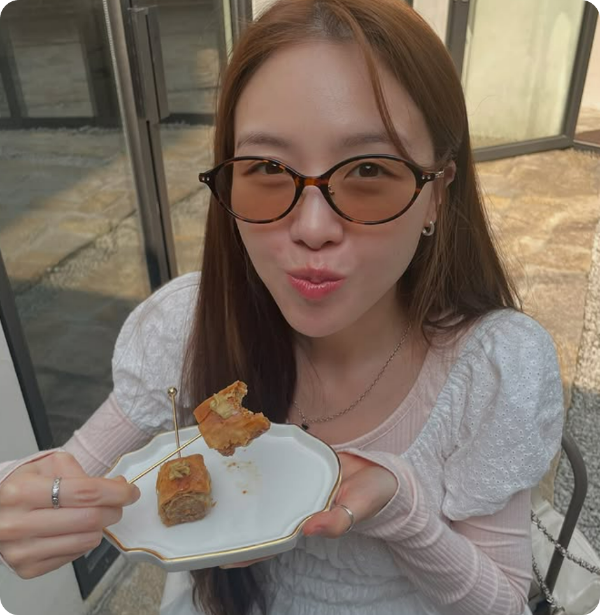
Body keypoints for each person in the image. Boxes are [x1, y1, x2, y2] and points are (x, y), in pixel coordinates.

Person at [0, 0, 564, 614]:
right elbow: (65, 474)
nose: (312, 228)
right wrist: (21, 502)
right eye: (267, 167)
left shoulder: (493, 368)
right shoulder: (191, 322)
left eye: (369, 168)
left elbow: (506, 602)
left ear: (437, 194)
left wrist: (403, 509)